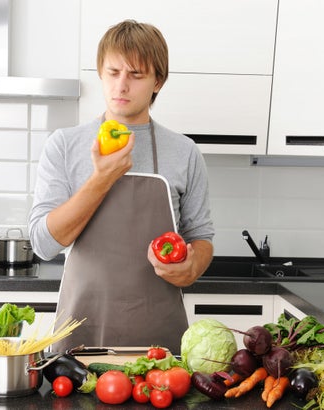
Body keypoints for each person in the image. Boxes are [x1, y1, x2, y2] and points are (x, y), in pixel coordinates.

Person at [28, 19, 214, 354]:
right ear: (100, 73)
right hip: (80, 334)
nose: (122, 86)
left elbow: (201, 237)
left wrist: (192, 267)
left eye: (136, 75)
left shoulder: (185, 152)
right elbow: (43, 244)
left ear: (158, 81)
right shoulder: (65, 145)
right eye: (113, 73)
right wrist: (101, 179)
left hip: (160, 342)